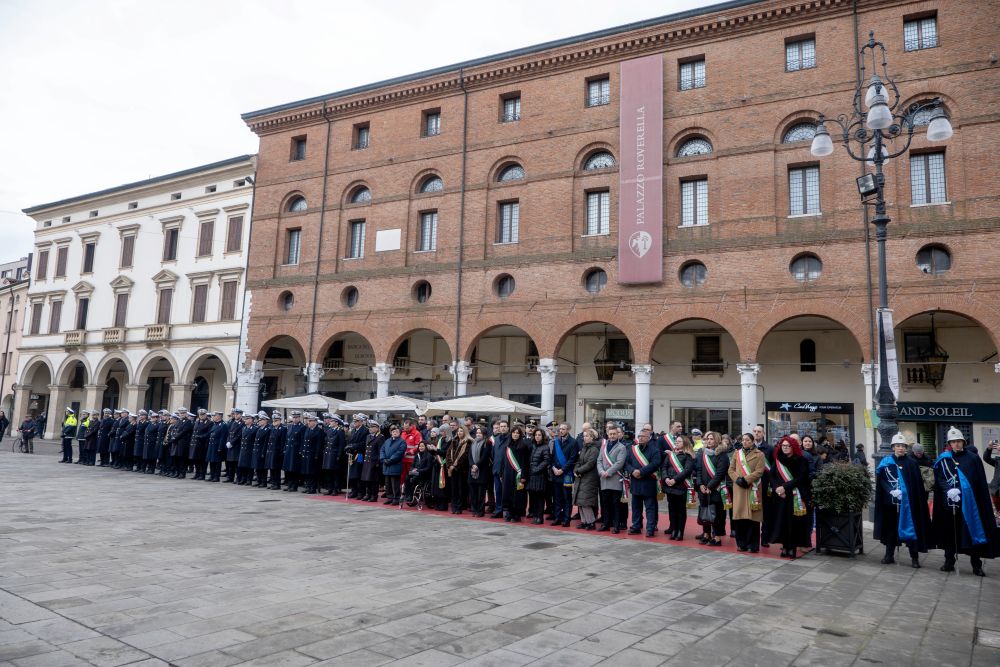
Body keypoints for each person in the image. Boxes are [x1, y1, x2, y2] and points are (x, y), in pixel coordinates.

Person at [933, 427, 1000, 575]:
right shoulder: (944, 459)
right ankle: (949, 561)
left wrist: (961, 491)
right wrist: (948, 490)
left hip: (970, 505)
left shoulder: (973, 458)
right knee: (950, 534)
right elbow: (940, 478)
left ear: (963, 442)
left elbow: (977, 482)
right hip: (950, 503)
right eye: (953, 442)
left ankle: (976, 565)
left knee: (971, 532)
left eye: (958, 441)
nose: (956, 444)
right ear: (949, 444)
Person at [874, 434, 932, 568]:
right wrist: (891, 491)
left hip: (908, 505)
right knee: (891, 529)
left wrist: (905, 493)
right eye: (898, 446)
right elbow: (882, 480)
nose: (900, 448)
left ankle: (914, 558)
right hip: (890, 502)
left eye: (903, 446)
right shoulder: (886, 462)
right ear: (893, 447)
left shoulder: (912, 463)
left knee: (911, 529)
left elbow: (916, 486)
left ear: (906, 448)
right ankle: (889, 555)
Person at [770, 435, 813, 559]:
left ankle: (792, 548)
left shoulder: (801, 460)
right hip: (781, 496)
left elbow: (801, 478)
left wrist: (784, 487)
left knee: (794, 523)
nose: (785, 448)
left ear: (793, 447)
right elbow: (772, 476)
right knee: (782, 522)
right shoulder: (778, 459)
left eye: (788, 446)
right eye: (783, 446)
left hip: (795, 495)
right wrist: (777, 488)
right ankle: (784, 546)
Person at [729, 432, 766, 552]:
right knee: (740, 518)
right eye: (743, 440)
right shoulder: (737, 453)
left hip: (752, 488)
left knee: (753, 519)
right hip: (739, 488)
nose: (744, 442)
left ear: (752, 441)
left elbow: (759, 471)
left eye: (747, 440)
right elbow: (731, 470)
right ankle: (741, 544)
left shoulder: (759, 454)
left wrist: (746, 480)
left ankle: (753, 545)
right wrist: (737, 479)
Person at [625, 428, 662, 537]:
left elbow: (655, 464)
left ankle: (650, 529)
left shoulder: (654, 450)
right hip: (636, 482)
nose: (640, 438)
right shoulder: (632, 449)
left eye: (643, 436)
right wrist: (633, 471)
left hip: (648, 483)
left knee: (650, 508)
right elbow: (627, 463)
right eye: (639, 436)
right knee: (636, 507)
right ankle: (636, 526)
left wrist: (641, 472)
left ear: (649, 438)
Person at [696, 431, 730, 546]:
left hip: (716, 489)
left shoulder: (722, 455)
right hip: (703, 489)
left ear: (717, 440)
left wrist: (709, 486)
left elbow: (720, 473)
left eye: (711, 439)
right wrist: (700, 484)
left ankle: (717, 537)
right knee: (704, 511)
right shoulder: (703, 453)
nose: (709, 441)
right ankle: (706, 534)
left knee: (717, 513)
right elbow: (699, 470)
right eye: (707, 439)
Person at [661, 434, 695, 540]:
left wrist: (674, 480)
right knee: (672, 510)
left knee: (680, 510)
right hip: (669, 486)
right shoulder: (671, 455)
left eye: (679, 441)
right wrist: (666, 478)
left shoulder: (688, 455)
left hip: (681, 486)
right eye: (676, 441)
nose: (676, 443)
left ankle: (680, 531)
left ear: (684, 443)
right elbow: (664, 467)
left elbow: (687, 470)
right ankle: (674, 530)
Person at [597, 424, 627, 533]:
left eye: (614, 434)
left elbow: (619, 463)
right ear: (608, 435)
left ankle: (616, 525)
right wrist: (601, 471)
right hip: (604, 479)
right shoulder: (604, 446)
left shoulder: (621, 447)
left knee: (616, 504)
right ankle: (606, 524)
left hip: (615, 479)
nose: (613, 436)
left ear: (617, 435)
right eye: (611, 434)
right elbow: (599, 460)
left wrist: (608, 472)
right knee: (605, 503)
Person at [550, 423, 578, 527]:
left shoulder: (573, 442)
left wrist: (562, 470)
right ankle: (557, 517)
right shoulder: (556, 441)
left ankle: (566, 519)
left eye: (563, 429)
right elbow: (553, 457)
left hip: (566, 474)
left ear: (568, 430)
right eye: (560, 429)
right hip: (556, 473)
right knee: (557, 498)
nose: (561, 431)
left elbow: (572, 459)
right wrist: (553, 467)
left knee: (566, 498)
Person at [501, 424, 530, 522]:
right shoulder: (507, 446)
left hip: (518, 474)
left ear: (520, 435)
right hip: (507, 474)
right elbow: (503, 461)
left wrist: (523, 475)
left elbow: (525, 462)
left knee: (518, 495)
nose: (515, 434)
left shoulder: (524, 446)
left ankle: (517, 514)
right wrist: (501, 473)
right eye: (514, 432)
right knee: (508, 493)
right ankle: (509, 512)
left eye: (517, 433)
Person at [573, 428, 600, 530]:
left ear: (592, 437)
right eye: (584, 436)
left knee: (586, 502)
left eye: (587, 436)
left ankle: (591, 522)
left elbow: (590, 464)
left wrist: (578, 471)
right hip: (581, 477)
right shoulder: (584, 448)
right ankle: (584, 521)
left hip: (590, 478)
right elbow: (579, 461)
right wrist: (576, 470)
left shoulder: (594, 449)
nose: (585, 438)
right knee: (580, 502)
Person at [527, 427, 551, 524]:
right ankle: (535, 515)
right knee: (533, 497)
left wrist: (537, 469)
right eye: (536, 435)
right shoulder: (533, 446)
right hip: (532, 475)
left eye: (539, 435)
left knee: (540, 497)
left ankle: (540, 517)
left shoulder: (545, 447)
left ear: (543, 436)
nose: (537, 436)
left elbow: (546, 460)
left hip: (540, 475)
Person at [468, 426, 492, 517]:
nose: (478, 434)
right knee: (473, 493)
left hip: (482, 471)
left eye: (480, 433)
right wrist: (472, 465)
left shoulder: (487, 443)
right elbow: (469, 456)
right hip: (472, 470)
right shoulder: (473, 442)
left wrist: (477, 465)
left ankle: (480, 511)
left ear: (484, 434)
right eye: (477, 433)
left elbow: (485, 456)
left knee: (481, 494)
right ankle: (474, 510)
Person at [446, 425, 471, 513]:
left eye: (461, 431)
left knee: (461, 489)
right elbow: (448, 453)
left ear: (465, 432)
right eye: (458, 431)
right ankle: (454, 507)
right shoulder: (454, 441)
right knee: (454, 489)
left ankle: (459, 507)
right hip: (452, 469)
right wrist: (450, 465)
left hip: (461, 470)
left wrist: (455, 466)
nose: (459, 433)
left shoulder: (468, 442)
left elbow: (465, 456)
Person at [379, 424, 406, 505]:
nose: (395, 433)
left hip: (395, 465)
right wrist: (383, 459)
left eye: (396, 431)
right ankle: (390, 497)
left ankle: (396, 498)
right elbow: (382, 450)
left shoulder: (402, 442)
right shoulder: (387, 441)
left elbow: (399, 453)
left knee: (395, 483)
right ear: (391, 433)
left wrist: (390, 460)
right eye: (393, 431)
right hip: (386, 465)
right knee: (388, 483)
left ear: (399, 433)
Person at [321, 414, 346, 496]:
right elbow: (326, 442)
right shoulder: (329, 430)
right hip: (328, 454)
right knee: (329, 473)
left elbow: (341, 445)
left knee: (335, 473)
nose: (330, 422)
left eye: (332, 421)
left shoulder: (340, 431)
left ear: (336, 423)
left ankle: (335, 489)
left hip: (334, 454)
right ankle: (330, 488)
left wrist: (339, 455)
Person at [359, 420, 383, 502]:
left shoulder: (380, 437)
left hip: (374, 461)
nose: (370, 429)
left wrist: (378, 462)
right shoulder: (368, 436)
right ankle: (368, 494)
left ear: (377, 428)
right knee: (367, 479)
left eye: (372, 427)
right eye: (370, 427)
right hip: (367, 460)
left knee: (374, 480)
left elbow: (380, 451)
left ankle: (374, 495)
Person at [405, 441, 434, 506]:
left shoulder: (429, 456)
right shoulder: (417, 455)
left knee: (414, 478)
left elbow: (428, 468)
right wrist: (413, 469)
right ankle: (407, 495)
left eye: (422, 446)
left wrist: (419, 470)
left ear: (426, 447)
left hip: (424, 474)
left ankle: (411, 495)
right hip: (416, 472)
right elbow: (412, 465)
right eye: (420, 446)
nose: (421, 447)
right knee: (407, 477)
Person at [491, 420, 510, 518]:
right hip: (496, 468)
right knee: (498, 491)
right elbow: (493, 454)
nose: (502, 428)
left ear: (508, 428)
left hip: (506, 470)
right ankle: (498, 510)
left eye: (504, 426)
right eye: (501, 426)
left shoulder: (510, 438)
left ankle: (506, 510)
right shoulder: (497, 438)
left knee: (506, 492)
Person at [206, 411, 227, 482]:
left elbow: (223, 437)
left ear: (219, 416)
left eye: (214, 416)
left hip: (217, 446)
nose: (213, 417)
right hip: (212, 445)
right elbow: (210, 434)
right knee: (211, 461)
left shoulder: (223, 425)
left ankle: (216, 476)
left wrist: (220, 447)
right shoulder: (215, 424)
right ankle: (212, 475)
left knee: (217, 462)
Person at [984, 438, 1000, 523]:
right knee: (998, 512)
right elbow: (986, 458)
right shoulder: (998, 460)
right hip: (996, 490)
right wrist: (989, 448)